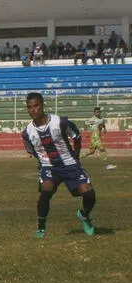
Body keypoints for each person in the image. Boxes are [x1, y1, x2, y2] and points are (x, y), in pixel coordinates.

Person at [22, 92, 96, 239]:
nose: (33, 110)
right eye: (30, 107)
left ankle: (84, 215)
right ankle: (41, 229)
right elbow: (31, 150)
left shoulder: (60, 122)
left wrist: (75, 155)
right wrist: (42, 163)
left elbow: (77, 136)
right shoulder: (27, 132)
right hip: (49, 167)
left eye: (36, 106)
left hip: (70, 164)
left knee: (88, 194)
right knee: (46, 191)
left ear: (42, 105)